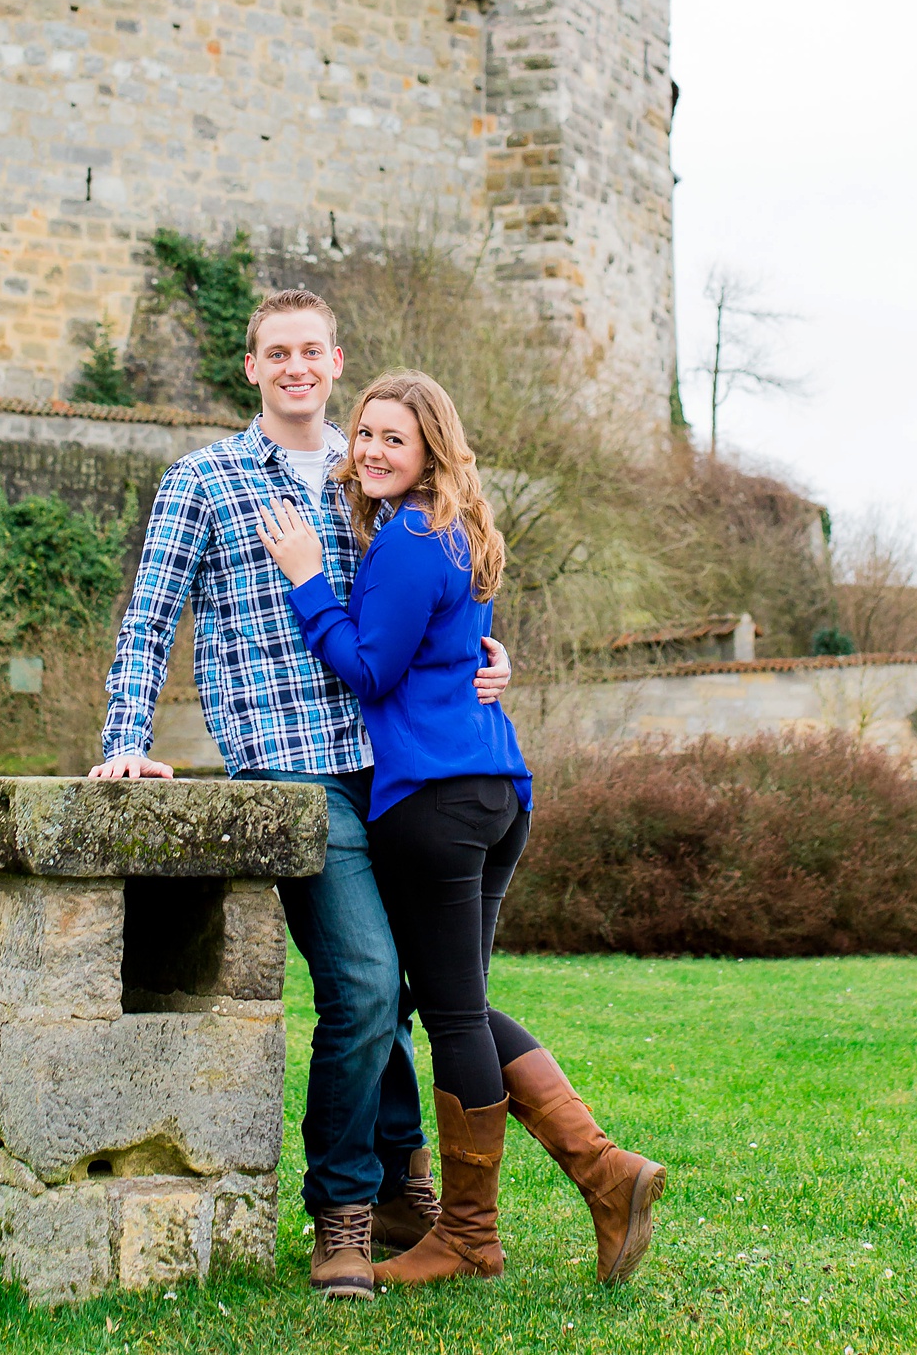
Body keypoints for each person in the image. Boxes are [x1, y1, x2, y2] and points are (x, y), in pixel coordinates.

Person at [89, 291, 513, 1299]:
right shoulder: (205, 479)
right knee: (367, 984)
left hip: (400, 769)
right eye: (275, 352)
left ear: (334, 361)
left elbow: (434, 595)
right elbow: (150, 619)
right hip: (291, 770)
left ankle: (419, 1187)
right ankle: (344, 1211)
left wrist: (491, 659)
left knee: (416, 988)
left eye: (310, 351)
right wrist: (124, 741)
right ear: (251, 368)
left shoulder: (371, 474)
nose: (294, 367)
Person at [258, 369, 664, 1292]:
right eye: (361, 433)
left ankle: (478, 1235)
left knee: (449, 1013)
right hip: (497, 792)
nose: (368, 450)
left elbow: (368, 668)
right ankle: (605, 1174)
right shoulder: (461, 526)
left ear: (430, 450)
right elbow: (452, 645)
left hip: (436, 801)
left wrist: (308, 582)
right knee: (464, 1005)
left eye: (391, 439)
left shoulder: (406, 539)